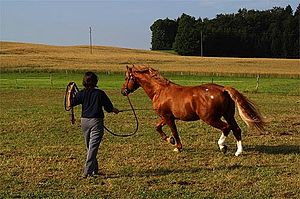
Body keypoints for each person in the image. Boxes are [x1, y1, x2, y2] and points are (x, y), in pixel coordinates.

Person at [72, 71, 119, 178]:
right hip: (96, 122)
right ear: (95, 81)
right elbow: (108, 107)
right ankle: (88, 171)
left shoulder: (82, 93)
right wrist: (114, 110)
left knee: (90, 146)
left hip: (84, 122)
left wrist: (72, 93)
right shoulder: (100, 93)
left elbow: (72, 103)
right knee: (92, 147)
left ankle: (94, 170)